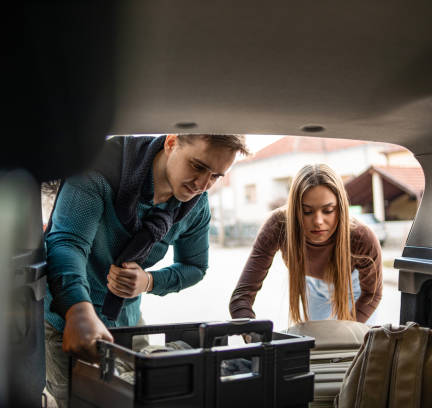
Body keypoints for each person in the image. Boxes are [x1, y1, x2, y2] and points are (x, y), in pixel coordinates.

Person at [44, 134, 248, 407]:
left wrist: (149, 281)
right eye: (197, 166)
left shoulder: (196, 206)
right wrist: (79, 311)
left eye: (216, 176)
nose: (202, 184)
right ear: (172, 142)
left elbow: (195, 267)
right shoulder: (100, 167)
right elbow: (67, 244)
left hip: (128, 322)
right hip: (67, 319)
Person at [229, 163, 382, 325]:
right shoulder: (278, 225)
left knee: (357, 344)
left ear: (341, 208)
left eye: (328, 210)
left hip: (355, 288)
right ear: (294, 210)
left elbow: (372, 294)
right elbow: (241, 297)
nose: (318, 221)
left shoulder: (361, 236)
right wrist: (252, 332)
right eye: (307, 211)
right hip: (313, 287)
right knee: (320, 345)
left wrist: (347, 332)